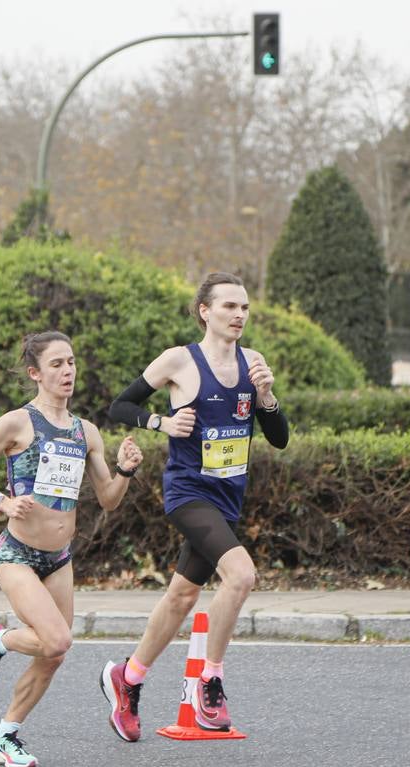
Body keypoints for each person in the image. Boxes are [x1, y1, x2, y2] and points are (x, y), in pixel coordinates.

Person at [99, 272, 288, 741]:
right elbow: (119, 407)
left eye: (244, 307)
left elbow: (280, 438)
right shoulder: (179, 361)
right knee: (241, 576)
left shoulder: (253, 363)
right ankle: (211, 681)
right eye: (229, 306)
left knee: (182, 596)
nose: (239, 315)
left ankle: (130, 677)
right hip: (188, 492)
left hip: (228, 497)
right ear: (205, 311)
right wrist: (161, 421)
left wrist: (266, 397)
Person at [0, 331, 143, 767]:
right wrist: (0, 501)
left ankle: (5, 735)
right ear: (35, 373)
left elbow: (109, 498)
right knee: (57, 638)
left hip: (59, 558)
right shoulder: (16, 423)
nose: (67, 372)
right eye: (57, 364)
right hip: (17, 553)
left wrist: (125, 469)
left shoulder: (87, 433)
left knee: (55, 652)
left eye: (72, 363)